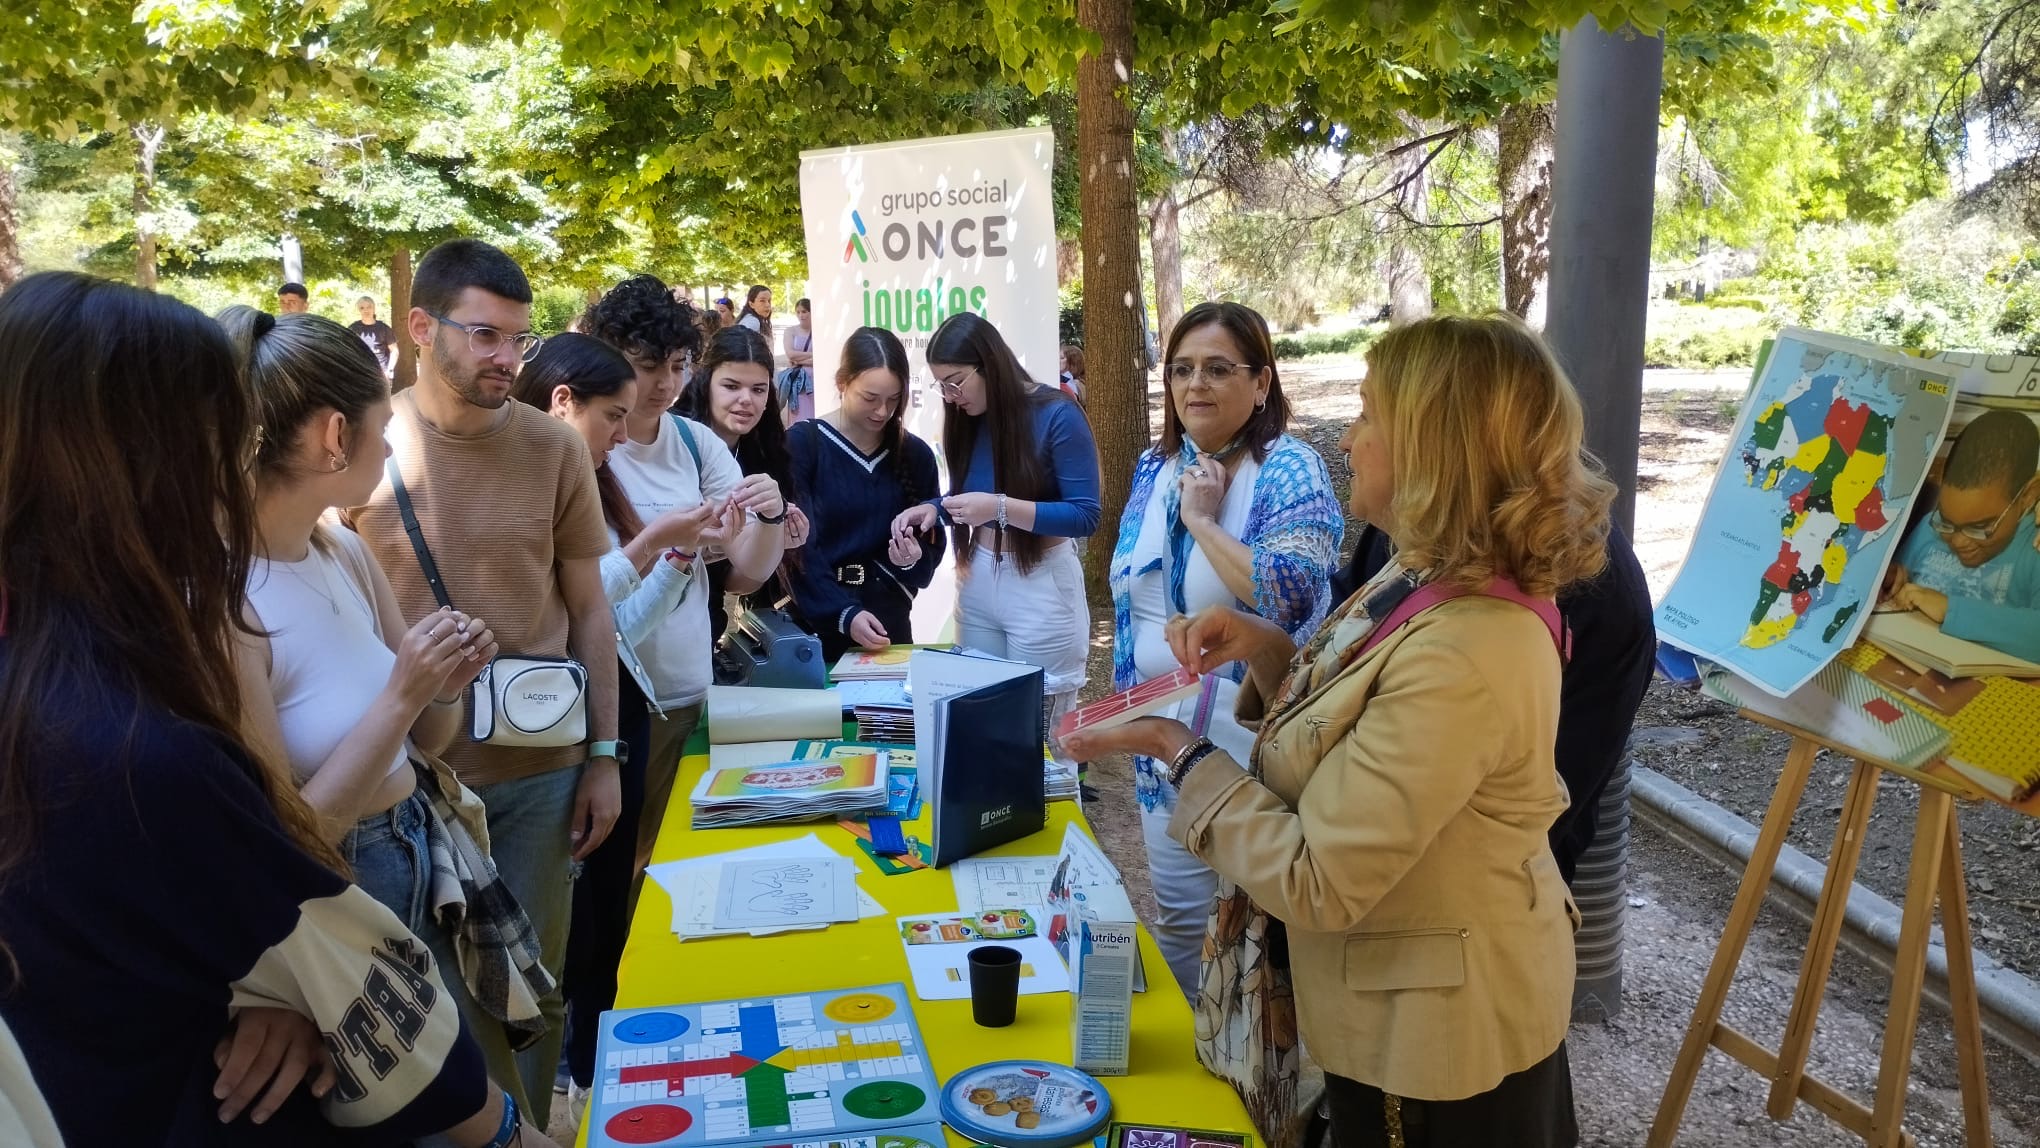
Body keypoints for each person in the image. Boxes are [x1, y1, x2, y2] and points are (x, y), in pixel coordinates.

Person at [0, 270, 562, 1148]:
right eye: (214, 434)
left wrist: (255, 982)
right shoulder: (142, 691)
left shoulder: (95, 643)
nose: (231, 462)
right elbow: (271, 871)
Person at [1064, 314, 1614, 1148]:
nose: (1350, 441)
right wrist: (1264, 649)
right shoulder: (1420, 566)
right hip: (1398, 1001)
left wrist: (1174, 748)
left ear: (1436, 446)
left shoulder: (1469, 643)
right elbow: (1353, 727)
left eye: (1367, 417)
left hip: (1433, 1055)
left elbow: (1321, 879)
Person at [223, 302, 576, 1119]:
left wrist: (444, 679)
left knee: (478, 1086)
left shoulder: (338, 545)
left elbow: (427, 739)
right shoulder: (226, 601)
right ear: (333, 437)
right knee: (443, 1114)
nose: (392, 444)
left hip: (421, 850)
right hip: (351, 894)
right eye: (384, 426)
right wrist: (406, 689)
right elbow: (287, 841)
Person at [344, 239, 620, 1129]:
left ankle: (535, 1131)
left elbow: (590, 611)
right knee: (429, 1009)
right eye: (487, 335)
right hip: (402, 790)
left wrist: (606, 756)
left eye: (522, 341)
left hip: (539, 772)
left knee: (533, 990)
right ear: (421, 328)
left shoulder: (554, 450)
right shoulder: (356, 451)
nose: (508, 358)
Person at [510, 332, 730, 1104]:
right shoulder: (522, 478)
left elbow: (612, 627)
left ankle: (603, 1080)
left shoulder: (589, 481)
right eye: (612, 416)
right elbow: (555, 608)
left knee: (605, 926)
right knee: (566, 937)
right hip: (545, 747)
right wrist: (650, 544)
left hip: (607, 727)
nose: (616, 439)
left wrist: (673, 562)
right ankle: (572, 1079)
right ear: (562, 402)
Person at [1106, 301, 1343, 996]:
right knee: (1181, 927)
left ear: (1262, 383)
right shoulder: (1157, 466)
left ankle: (1266, 1098)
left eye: (1217, 369)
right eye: (1181, 370)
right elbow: (1134, 607)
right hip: (1168, 747)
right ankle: (1203, 1082)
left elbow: (1289, 595)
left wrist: (1202, 521)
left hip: (1257, 756)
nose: (1194, 387)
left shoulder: (1289, 469)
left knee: (1261, 942)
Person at [587, 277, 789, 868]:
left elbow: (749, 570)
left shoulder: (695, 442)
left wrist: (769, 515)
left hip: (683, 690)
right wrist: (669, 545)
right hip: (607, 701)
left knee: (668, 862)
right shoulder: (581, 445)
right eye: (647, 365)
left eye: (677, 366)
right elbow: (584, 594)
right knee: (609, 874)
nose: (665, 384)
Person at [1334, 520, 1654, 884]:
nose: (1346, 457)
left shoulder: (1594, 589)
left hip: (1453, 913)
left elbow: (1526, 825)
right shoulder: (1406, 522)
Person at [890, 312, 1101, 743]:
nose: (949, 396)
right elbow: (974, 499)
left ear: (990, 364)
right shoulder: (967, 419)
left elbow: (1084, 515)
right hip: (980, 579)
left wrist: (1000, 508)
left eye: (955, 381)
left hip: (1042, 584)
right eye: (940, 385)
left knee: (1040, 741)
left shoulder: (1057, 413)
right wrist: (935, 509)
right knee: (981, 729)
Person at [786, 327, 948, 661]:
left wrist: (913, 558)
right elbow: (798, 550)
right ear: (842, 382)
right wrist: (843, 613)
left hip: (887, 626)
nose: (882, 412)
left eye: (893, 400)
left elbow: (932, 545)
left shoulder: (914, 455)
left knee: (886, 714)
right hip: (814, 624)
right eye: (870, 398)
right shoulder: (804, 444)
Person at [675, 324, 811, 641]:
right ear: (705, 383)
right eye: (732, 386)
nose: (746, 400)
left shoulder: (764, 455)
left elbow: (740, 580)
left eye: (758, 389)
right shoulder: (672, 442)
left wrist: (771, 535)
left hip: (706, 622)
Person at [1883, 408, 2040, 663]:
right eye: (1946, 522)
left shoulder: (2034, 547)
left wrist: (1950, 610)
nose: (1958, 541)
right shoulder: (1929, 527)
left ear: (2027, 497)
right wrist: (1891, 576)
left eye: (1980, 527)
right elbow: (1900, 581)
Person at [778, 297, 816, 423]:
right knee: (798, 416)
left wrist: (798, 360)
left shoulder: (818, 331)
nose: (801, 315)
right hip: (798, 380)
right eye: (798, 312)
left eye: (804, 311)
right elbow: (790, 354)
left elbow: (821, 357)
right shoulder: (791, 331)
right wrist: (811, 356)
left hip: (815, 381)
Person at [349, 294, 398, 377]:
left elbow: (394, 351)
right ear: (359, 310)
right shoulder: (353, 328)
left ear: (374, 308)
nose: (366, 310)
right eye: (362, 308)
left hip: (381, 374)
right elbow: (347, 349)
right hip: (359, 373)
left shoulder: (384, 328)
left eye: (369, 307)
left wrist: (389, 371)